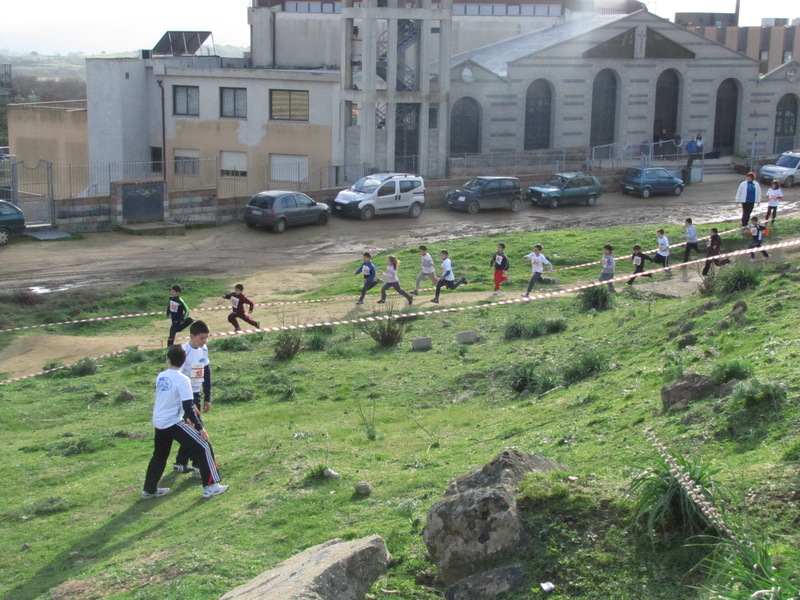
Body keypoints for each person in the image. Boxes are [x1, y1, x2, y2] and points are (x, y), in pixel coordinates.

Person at [142, 344, 228, 500]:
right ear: (184, 361)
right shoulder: (183, 380)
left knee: (160, 455)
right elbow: (188, 406)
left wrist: (189, 411)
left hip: (159, 420)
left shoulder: (161, 376)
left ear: (168, 359)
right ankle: (210, 486)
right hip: (172, 421)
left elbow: (175, 399)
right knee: (204, 446)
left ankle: (149, 490)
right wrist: (201, 428)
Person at [173, 320, 213, 475]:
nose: (204, 341)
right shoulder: (184, 351)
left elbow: (206, 372)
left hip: (197, 393)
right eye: (202, 338)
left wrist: (207, 397)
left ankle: (180, 462)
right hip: (186, 396)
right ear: (192, 336)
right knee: (197, 428)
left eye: (206, 338)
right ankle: (198, 463)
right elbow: (178, 376)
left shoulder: (204, 350)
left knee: (191, 428)